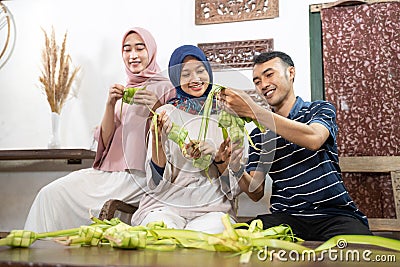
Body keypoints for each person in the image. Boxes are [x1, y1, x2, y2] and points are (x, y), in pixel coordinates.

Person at [24, 27, 175, 232]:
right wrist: (110, 104)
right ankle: (42, 253)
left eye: (140, 49)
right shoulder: (126, 88)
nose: (133, 55)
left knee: (63, 198)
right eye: (127, 49)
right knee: (50, 193)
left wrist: (157, 107)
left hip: (139, 176)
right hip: (108, 172)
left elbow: (175, 134)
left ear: (151, 51)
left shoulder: (166, 87)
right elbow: (106, 138)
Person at [219, 51, 372, 241]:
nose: (263, 85)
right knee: (234, 239)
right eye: (257, 81)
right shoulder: (259, 134)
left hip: (333, 215)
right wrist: (235, 167)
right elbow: (255, 192)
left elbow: (314, 139)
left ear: (291, 73)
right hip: (286, 219)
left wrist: (255, 111)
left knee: (362, 253)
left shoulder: (319, 109)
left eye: (269, 75)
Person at [130, 45, 241, 234]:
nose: (195, 79)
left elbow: (234, 188)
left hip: (211, 207)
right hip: (165, 204)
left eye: (200, 71)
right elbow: (155, 183)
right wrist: (157, 140)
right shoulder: (164, 114)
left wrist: (218, 158)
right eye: (186, 74)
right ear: (176, 79)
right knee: (161, 233)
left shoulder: (227, 117)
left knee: (203, 239)